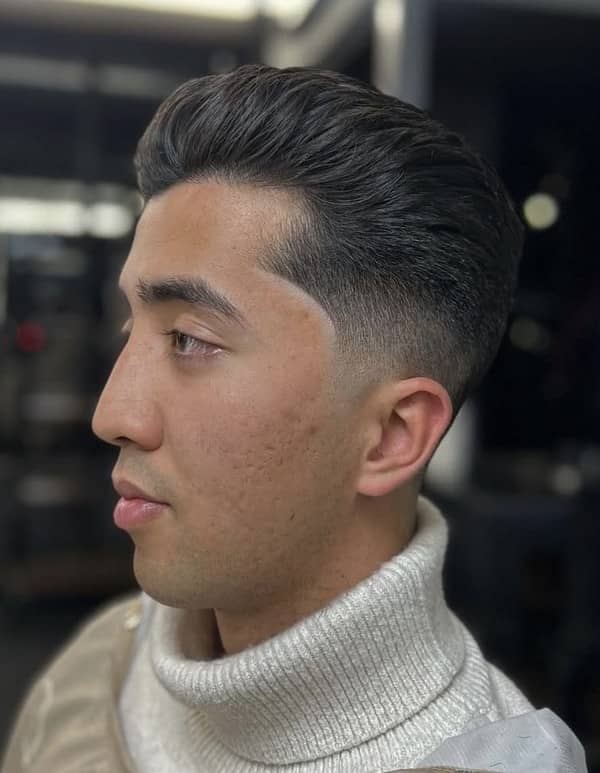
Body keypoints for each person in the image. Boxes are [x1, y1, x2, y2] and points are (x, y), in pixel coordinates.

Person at [1, 65, 588, 773]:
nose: (111, 414)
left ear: (392, 435)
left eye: (189, 339)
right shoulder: (101, 664)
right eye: (134, 327)